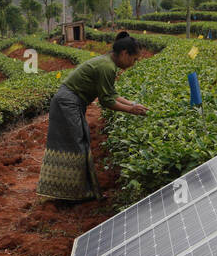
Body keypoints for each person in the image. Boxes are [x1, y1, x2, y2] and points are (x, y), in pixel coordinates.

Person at [37, 31, 147, 202]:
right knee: (75, 144)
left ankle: (75, 192)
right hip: (67, 103)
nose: (134, 63)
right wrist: (131, 110)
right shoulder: (107, 67)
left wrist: (132, 104)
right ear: (125, 53)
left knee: (80, 140)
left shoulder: (107, 62)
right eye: (134, 59)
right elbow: (106, 101)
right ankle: (70, 194)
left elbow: (111, 93)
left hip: (69, 102)